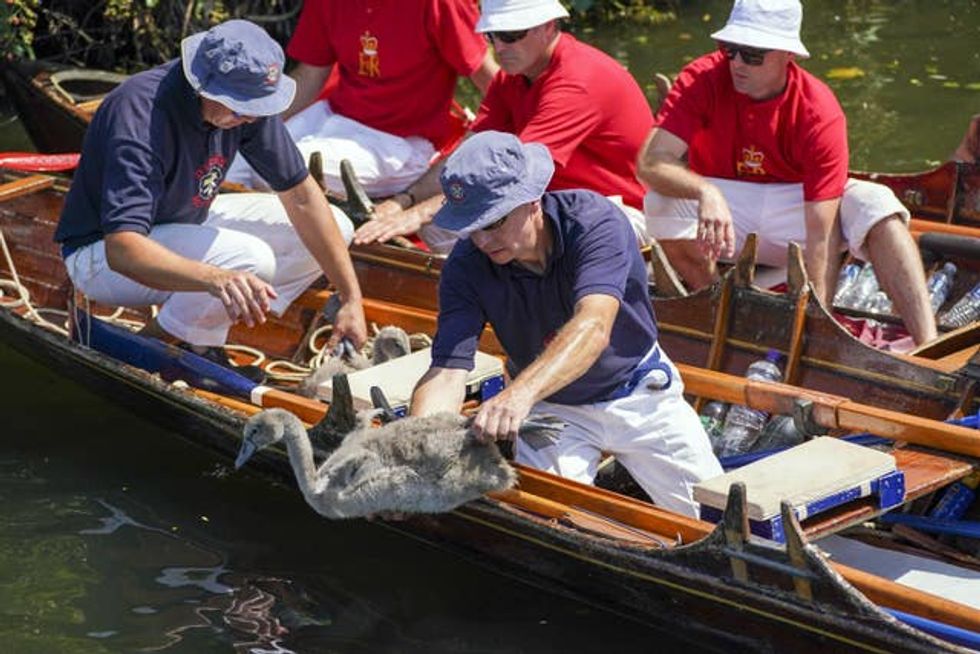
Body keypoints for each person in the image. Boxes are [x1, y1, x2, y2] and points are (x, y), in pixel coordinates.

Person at [409, 131, 722, 517]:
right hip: (553, 408)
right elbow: (446, 372)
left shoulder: (595, 223)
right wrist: (413, 454)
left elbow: (593, 326)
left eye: (494, 221)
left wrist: (518, 395)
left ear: (533, 200)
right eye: (471, 227)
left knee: (714, 521)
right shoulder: (464, 266)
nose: (483, 240)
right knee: (550, 522)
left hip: (641, 396)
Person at [54, 19, 367, 372]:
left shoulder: (247, 109)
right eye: (238, 109)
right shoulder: (139, 116)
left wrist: (351, 297)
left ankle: (177, 333)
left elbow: (303, 197)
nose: (249, 119)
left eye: (257, 110)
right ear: (202, 87)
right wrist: (215, 278)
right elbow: (122, 250)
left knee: (338, 225)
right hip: (99, 255)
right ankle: (182, 342)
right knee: (250, 259)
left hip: (184, 221)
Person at [637, 0, 937, 344]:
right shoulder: (702, 77)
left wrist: (816, 326)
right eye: (731, 50)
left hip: (795, 211)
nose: (736, 63)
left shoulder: (818, 110)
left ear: (787, 55)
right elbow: (650, 161)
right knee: (660, 198)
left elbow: (820, 235)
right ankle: (718, 304)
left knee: (879, 205)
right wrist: (706, 192)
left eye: (753, 55)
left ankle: (928, 345)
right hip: (728, 210)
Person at [354, 0, 654, 251]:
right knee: (439, 225)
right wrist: (402, 201)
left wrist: (417, 214)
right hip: (549, 199)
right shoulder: (512, 77)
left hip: (619, 212)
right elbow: (466, 156)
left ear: (548, 27)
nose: (499, 47)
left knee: (461, 219)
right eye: (492, 36)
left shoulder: (577, 82)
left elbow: (513, 175)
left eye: (510, 35)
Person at [225, 0, 498, 201]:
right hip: (333, 116)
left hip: (400, 143)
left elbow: (496, 84)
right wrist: (249, 118)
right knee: (230, 150)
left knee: (273, 168)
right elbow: (311, 75)